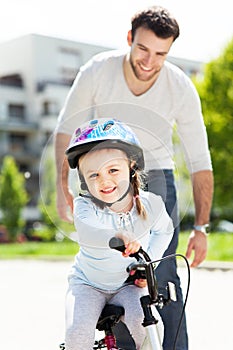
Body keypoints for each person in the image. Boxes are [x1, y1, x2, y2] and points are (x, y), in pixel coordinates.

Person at [55, 5, 214, 349]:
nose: (149, 60)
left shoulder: (179, 87)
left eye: (161, 53)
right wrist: (60, 188)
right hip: (105, 172)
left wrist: (201, 228)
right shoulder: (97, 71)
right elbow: (65, 130)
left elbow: (200, 160)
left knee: (160, 275)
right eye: (142, 48)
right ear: (130, 39)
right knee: (109, 258)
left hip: (156, 175)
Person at [63, 118, 173, 349]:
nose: (104, 180)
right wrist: (116, 235)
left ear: (131, 166)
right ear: (83, 179)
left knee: (150, 326)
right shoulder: (85, 205)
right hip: (87, 284)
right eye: (93, 175)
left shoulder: (151, 204)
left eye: (113, 169)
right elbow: (87, 232)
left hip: (127, 285)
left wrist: (147, 264)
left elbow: (165, 230)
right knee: (77, 334)